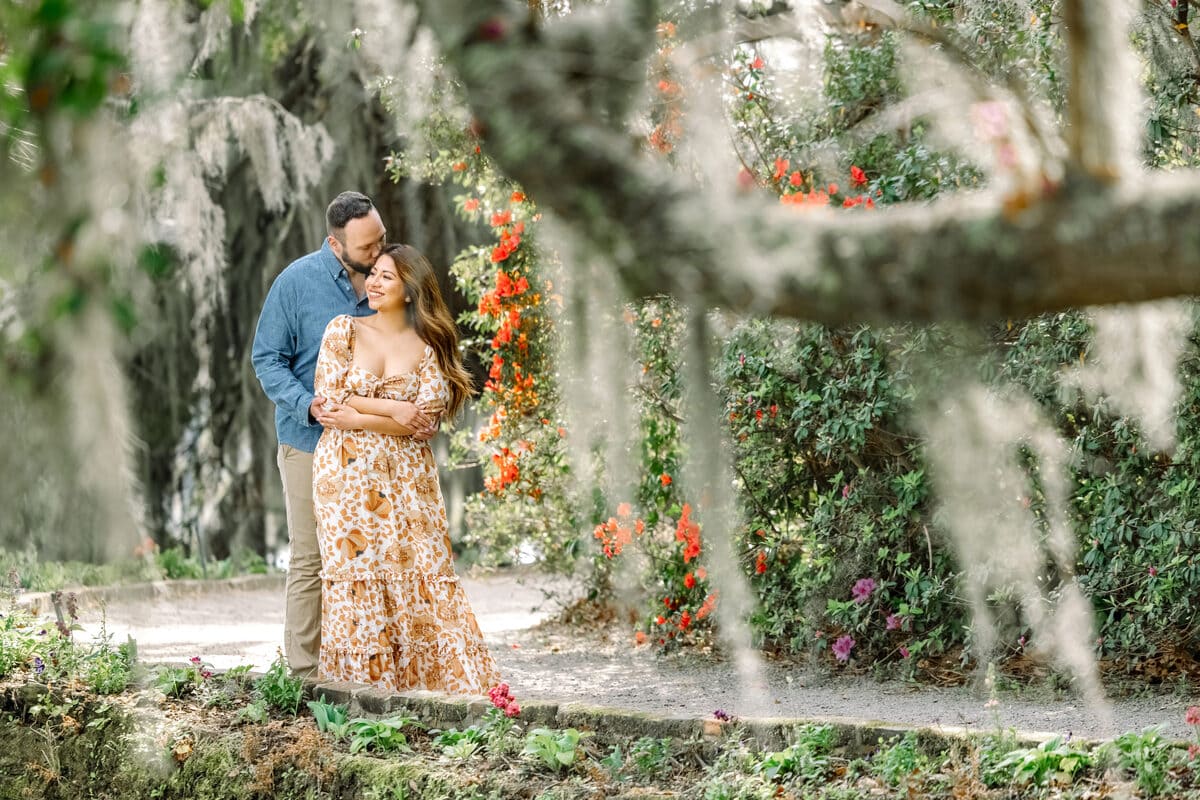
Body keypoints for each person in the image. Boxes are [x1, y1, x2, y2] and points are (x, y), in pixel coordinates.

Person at [251, 191, 434, 678]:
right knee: (312, 560)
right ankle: (305, 676)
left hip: (381, 453)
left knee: (379, 562)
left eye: (383, 241)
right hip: (310, 444)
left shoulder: (392, 280)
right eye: (368, 250)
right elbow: (266, 359)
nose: (378, 256)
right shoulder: (296, 284)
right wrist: (307, 404)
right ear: (336, 245)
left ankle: (378, 671)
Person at [310, 243, 500, 692]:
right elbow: (330, 399)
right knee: (359, 573)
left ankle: (435, 688)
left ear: (410, 290)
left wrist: (361, 417)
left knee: (421, 566)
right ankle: (364, 692)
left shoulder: (427, 345)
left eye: (386, 277)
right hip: (346, 478)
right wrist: (392, 412)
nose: (372, 283)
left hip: (408, 480)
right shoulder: (345, 330)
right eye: (372, 273)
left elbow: (426, 419)